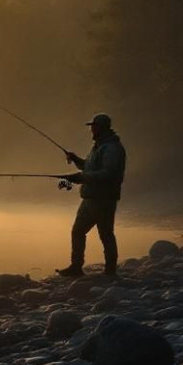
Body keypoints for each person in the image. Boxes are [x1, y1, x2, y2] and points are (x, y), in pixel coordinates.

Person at [57, 113, 127, 279]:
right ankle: (76, 267)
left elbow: (108, 173)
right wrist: (75, 160)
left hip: (104, 199)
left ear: (102, 128)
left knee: (106, 234)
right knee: (78, 231)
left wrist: (81, 178)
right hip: (89, 198)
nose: (91, 130)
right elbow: (89, 167)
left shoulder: (112, 148)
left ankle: (110, 272)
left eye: (94, 127)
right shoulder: (99, 146)